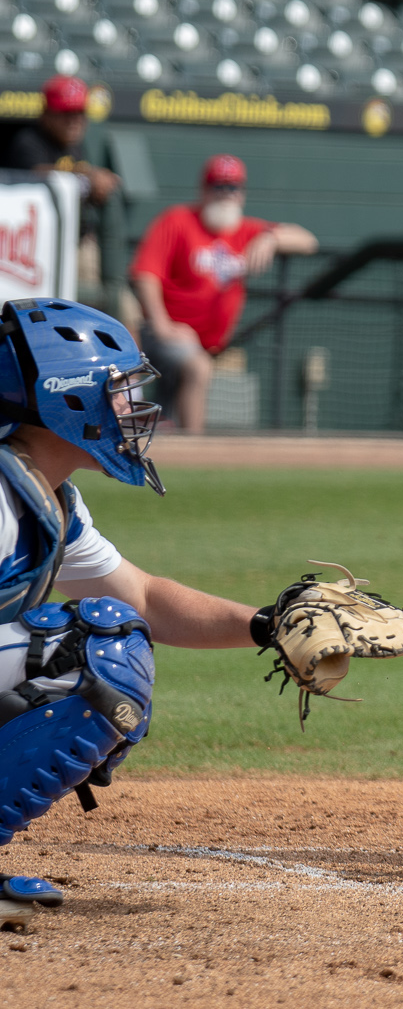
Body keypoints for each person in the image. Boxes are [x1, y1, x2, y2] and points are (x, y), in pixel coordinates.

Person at [0, 298, 288, 928]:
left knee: (110, 632)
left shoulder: (47, 499)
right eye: (117, 390)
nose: (131, 410)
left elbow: (148, 597)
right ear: (65, 395)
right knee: (95, 654)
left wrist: (271, 625)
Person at [128, 155, 318, 433]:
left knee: (172, 405)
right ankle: (195, 450)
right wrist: (163, 325)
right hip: (161, 334)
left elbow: (308, 241)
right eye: (218, 186)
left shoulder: (248, 231)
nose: (226, 195)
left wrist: (272, 237)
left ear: (242, 194)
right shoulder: (177, 221)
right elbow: (145, 274)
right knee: (198, 368)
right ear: (203, 190)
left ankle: (178, 445)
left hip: (205, 342)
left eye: (233, 188)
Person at [3, 76, 120, 207]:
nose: (74, 121)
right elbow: (38, 176)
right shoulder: (28, 141)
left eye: (80, 113)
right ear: (46, 114)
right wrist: (87, 177)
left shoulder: (75, 145)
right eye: (66, 113)